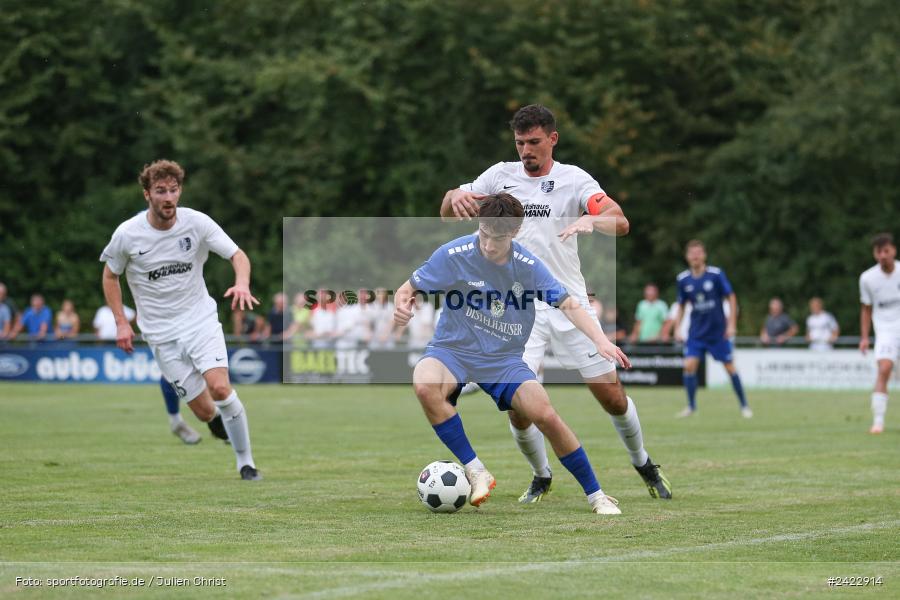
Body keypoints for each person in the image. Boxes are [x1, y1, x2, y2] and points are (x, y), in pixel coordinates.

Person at [440, 104, 671, 502]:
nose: (525, 150)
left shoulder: (573, 180)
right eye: (519, 143)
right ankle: (541, 475)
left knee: (611, 396)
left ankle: (643, 462)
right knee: (518, 404)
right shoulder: (499, 176)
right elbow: (448, 210)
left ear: (552, 139)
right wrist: (454, 195)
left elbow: (620, 220)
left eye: (533, 142)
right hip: (516, 310)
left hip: (568, 303)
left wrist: (590, 221)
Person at [395, 193, 627, 514]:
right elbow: (407, 288)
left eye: (499, 238)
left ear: (515, 233)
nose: (489, 245)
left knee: (545, 414)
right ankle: (476, 470)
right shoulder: (453, 254)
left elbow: (568, 304)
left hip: (502, 361)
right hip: (453, 350)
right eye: (485, 234)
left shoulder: (529, 267)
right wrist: (403, 303)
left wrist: (600, 340)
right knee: (424, 383)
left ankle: (596, 495)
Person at [100, 159, 260, 479]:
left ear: (180, 191)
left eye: (173, 190)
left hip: (199, 321)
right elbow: (110, 276)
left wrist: (242, 282)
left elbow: (237, 255)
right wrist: (121, 321)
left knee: (219, 387)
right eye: (160, 191)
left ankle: (246, 462)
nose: (168, 197)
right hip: (160, 334)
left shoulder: (196, 223)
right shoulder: (128, 235)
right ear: (147, 194)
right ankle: (216, 422)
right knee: (203, 411)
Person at [674, 240, 751, 418]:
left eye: (698, 253)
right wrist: (677, 328)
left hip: (718, 332)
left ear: (704, 255)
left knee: (730, 367)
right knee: (689, 366)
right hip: (696, 333)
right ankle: (691, 407)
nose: (695, 256)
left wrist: (732, 324)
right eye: (692, 253)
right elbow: (682, 305)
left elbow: (731, 297)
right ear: (687, 257)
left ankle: (744, 405)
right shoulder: (683, 279)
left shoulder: (716, 275)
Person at [859, 233, 900, 434]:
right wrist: (865, 337)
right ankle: (878, 421)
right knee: (884, 368)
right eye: (879, 251)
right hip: (885, 328)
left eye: (886, 250)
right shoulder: (867, 278)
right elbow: (866, 309)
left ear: (894, 251)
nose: (883, 255)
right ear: (875, 254)